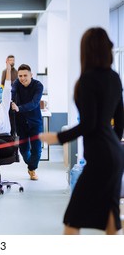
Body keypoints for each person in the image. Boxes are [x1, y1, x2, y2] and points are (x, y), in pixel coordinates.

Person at [40, 27, 124, 235]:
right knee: (110, 212)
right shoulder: (114, 77)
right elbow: (121, 121)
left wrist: (57, 137)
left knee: (73, 217)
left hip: (100, 155)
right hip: (116, 153)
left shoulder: (87, 80)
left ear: (85, 51)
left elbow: (89, 124)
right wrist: (113, 144)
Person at [11, 64, 43, 180]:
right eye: (20, 76)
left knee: (37, 150)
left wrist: (19, 108)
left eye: (25, 75)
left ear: (31, 75)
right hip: (21, 123)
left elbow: (35, 103)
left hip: (35, 123)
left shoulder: (38, 86)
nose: (22, 78)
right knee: (23, 150)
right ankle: (31, 166)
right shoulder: (16, 83)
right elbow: (12, 92)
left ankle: (32, 169)